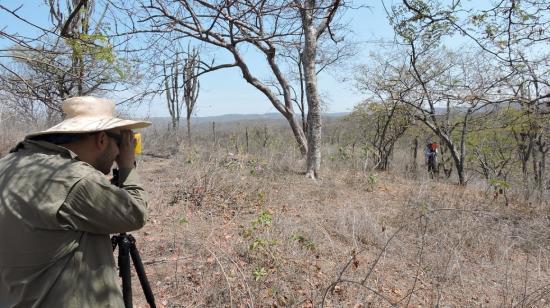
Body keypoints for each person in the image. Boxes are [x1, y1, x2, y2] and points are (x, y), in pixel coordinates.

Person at [0, 96, 151, 307]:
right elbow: (136, 213)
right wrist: (127, 167)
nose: (120, 152)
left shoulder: (9, 164)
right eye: (121, 143)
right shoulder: (76, 179)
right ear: (101, 139)